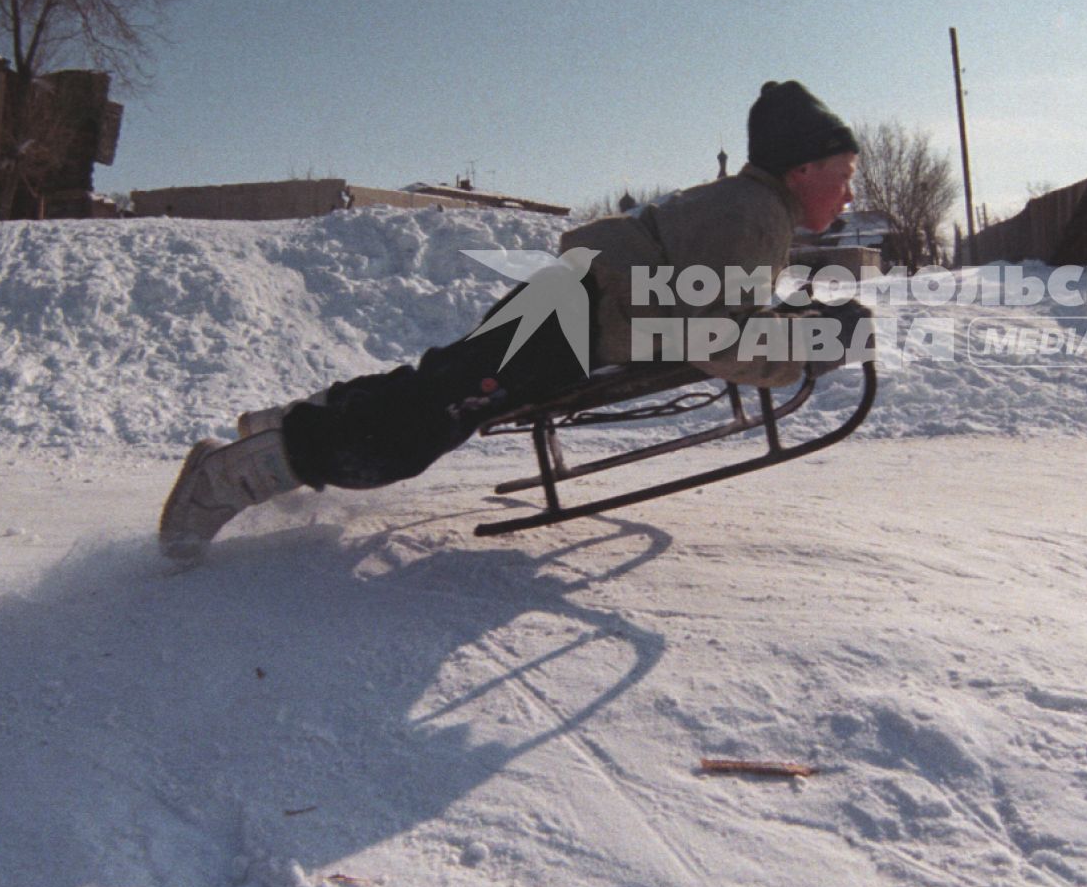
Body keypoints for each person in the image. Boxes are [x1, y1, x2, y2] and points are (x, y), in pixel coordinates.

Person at [159, 80, 864, 560]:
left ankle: (282, 428)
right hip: (577, 316)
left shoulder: (749, 209)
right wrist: (801, 351)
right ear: (802, 169)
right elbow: (713, 334)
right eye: (845, 171)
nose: (851, 188)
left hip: (578, 303)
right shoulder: (754, 215)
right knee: (420, 425)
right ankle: (231, 477)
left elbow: (708, 309)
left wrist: (795, 326)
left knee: (439, 387)